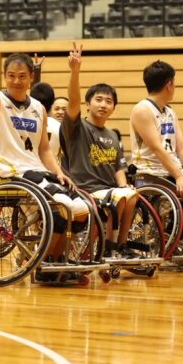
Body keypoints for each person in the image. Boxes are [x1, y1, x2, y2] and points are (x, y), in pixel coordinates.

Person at [0, 40, 89, 282]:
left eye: (22, 76)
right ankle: (41, 266)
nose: (16, 81)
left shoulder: (39, 109)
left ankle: (55, 262)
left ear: (31, 77)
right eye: (11, 76)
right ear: (5, 77)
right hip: (10, 173)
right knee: (61, 206)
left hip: (38, 172)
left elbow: (44, 149)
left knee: (80, 209)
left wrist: (59, 172)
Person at [62, 43, 141, 259]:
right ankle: (108, 247)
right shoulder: (77, 127)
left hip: (109, 190)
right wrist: (75, 71)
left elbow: (119, 167)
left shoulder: (113, 135)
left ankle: (121, 245)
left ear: (113, 108)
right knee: (120, 198)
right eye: (98, 100)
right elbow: (73, 102)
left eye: (109, 101)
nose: (103, 104)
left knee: (131, 195)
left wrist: (124, 186)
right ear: (87, 104)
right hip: (85, 189)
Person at [129, 59, 183, 237]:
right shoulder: (142, 110)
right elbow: (157, 148)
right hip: (151, 175)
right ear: (169, 84)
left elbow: (182, 147)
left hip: (170, 172)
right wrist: (179, 176)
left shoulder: (170, 112)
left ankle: (178, 233)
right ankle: (172, 234)